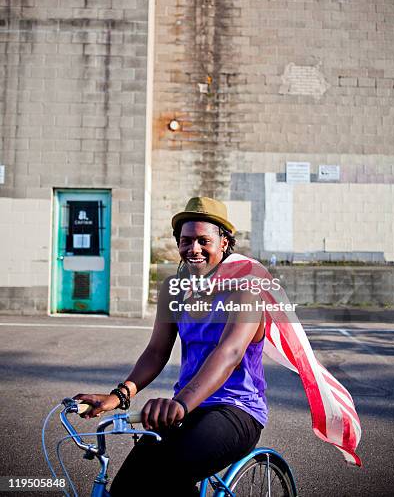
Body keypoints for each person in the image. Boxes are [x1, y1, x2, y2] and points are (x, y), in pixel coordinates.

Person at [75, 197, 267, 496]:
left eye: (204, 240)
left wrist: (180, 403)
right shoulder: (173, 291)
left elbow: (229, 353)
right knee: (128, 486)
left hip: (236, 409)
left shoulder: (246, 292)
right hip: (188, 408)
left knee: (168, 472)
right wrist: (119, 395)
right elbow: (156, 351)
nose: (194, 249)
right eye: (185, 240)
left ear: (225, 243)